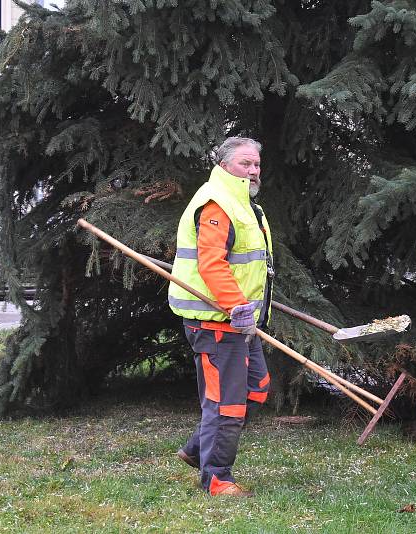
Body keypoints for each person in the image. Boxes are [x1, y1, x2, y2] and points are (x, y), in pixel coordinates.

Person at [167, 136, 274, 497]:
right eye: (246, 164)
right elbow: (212, 264)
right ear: (226, 165)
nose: (254, 170)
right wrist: (236, 306)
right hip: (216, 323)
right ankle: (217, 479)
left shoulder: (245, 204)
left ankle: (197, 449)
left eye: (256, 164)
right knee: (226, 402)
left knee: (256, 389)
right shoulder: (217, 203)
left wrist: (247, 311)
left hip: (240, 321)